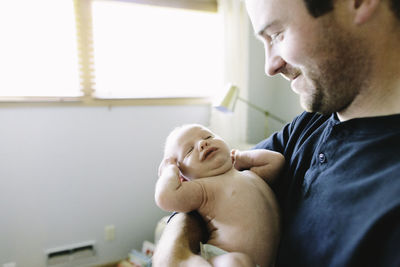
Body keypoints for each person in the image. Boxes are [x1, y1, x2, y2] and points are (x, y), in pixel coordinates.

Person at [153, 0, 400, 266]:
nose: (270, 66)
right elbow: (213, 187)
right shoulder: (305, 128)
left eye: (277, 34)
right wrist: (172, 252)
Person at [155, 124, 284, 267]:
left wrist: (241, 156)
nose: (202, 143)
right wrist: (169, 170)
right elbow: (166, 198)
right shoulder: (203, 188)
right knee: (236, 262)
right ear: (183, 178)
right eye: (189, 150)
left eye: (208, 136)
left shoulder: (249, 174)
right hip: (223, 258)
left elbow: (276, 161)